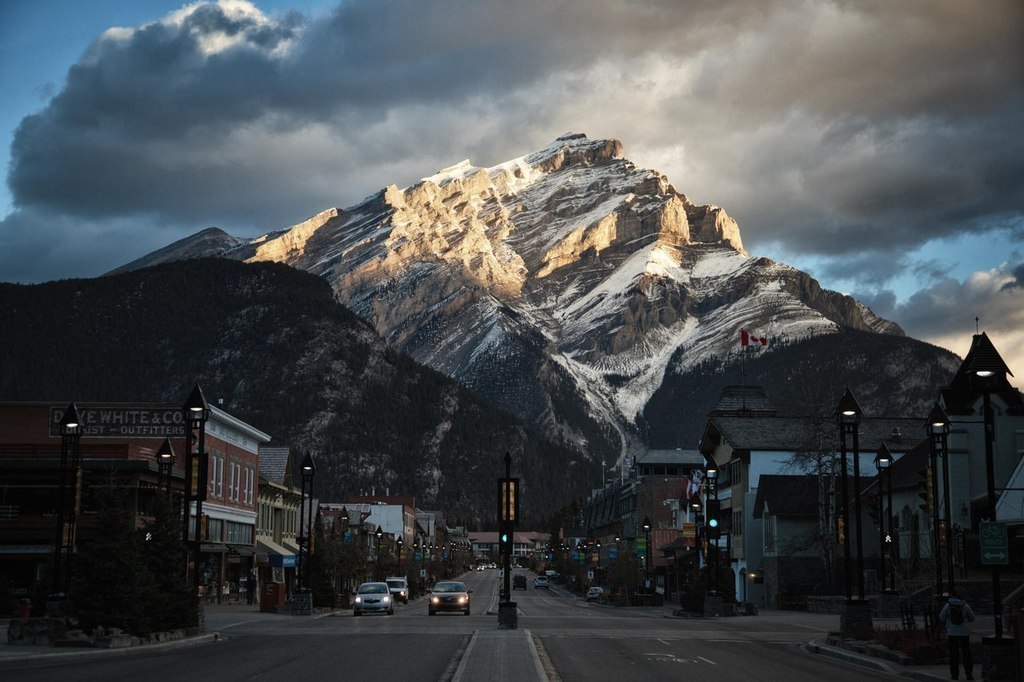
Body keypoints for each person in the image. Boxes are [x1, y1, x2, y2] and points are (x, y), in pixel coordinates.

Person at [939, 591, 975, 680]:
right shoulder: (965, 605)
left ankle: (955, 675)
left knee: (953, 654)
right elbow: (972, 618)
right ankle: (969, 674)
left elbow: (942, 617)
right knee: (966, 654)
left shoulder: (948, 605)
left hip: (952, 632)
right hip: (964, 633)